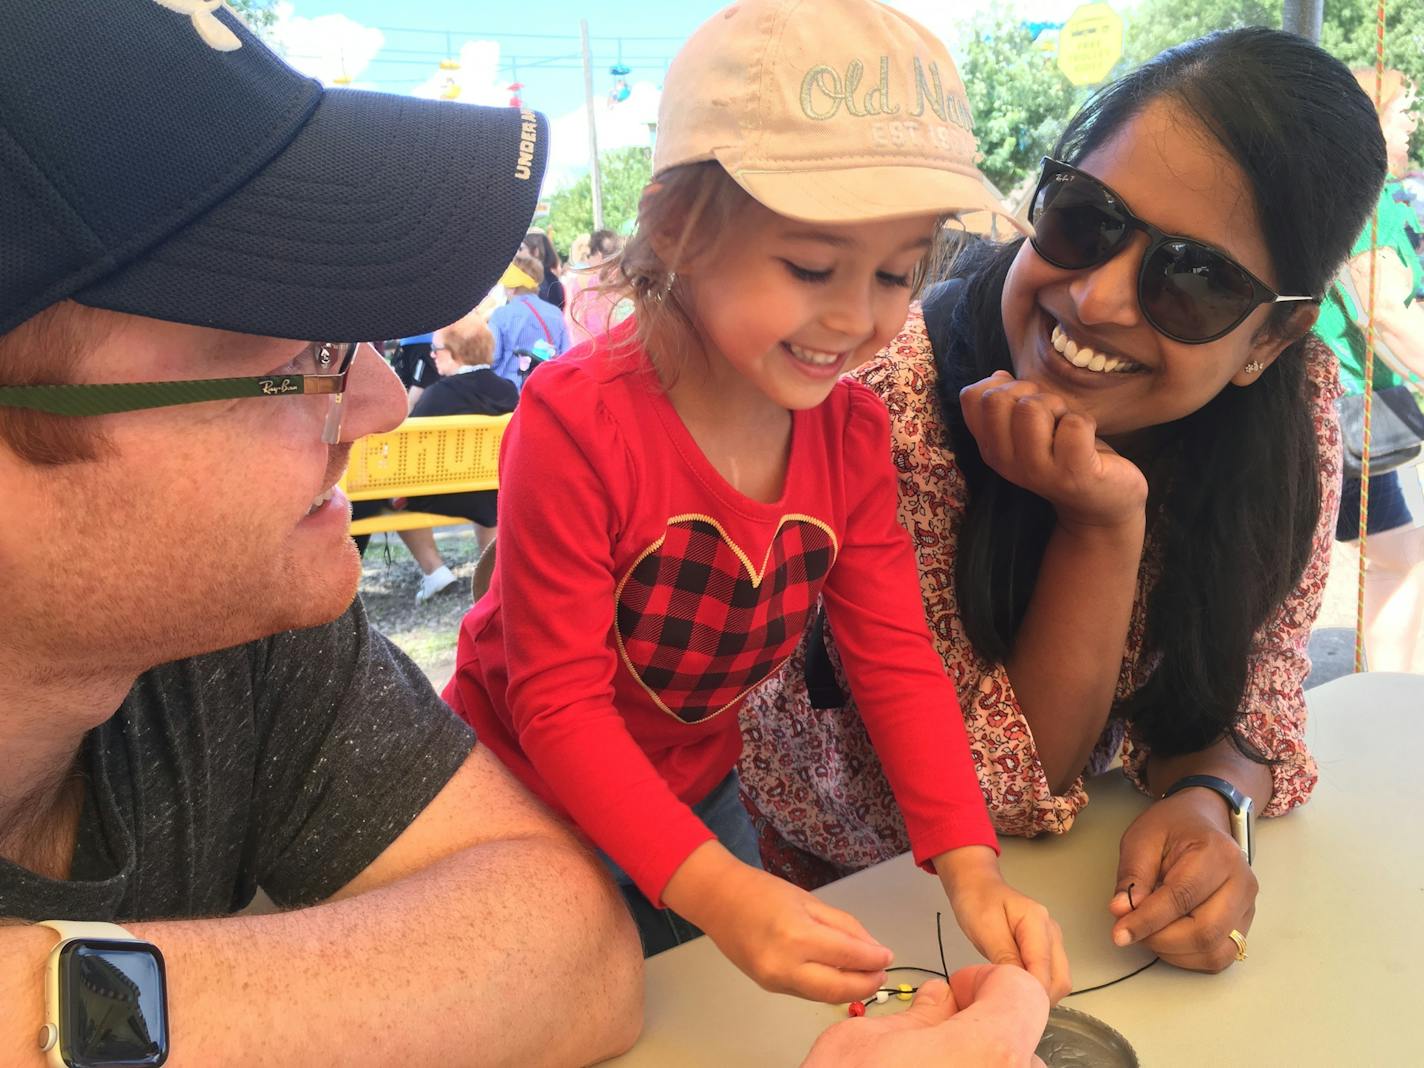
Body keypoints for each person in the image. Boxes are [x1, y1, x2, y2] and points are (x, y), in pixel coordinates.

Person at [0, 3, 643, 1065]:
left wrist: (48, 1007)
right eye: (297, 353)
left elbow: (569, 946)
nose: (383, 403)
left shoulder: (227, 627)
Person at [444, 0, 1069, 1006]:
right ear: (675, 230)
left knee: (726, 1018)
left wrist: (965, 856)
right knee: (558, 1011)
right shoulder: (575, 419)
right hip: (513, 793)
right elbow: (554, 702)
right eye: (812, 266)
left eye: (896, 271)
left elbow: (894, 658)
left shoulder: (852, 436)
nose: (855, 316)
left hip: (694, 790)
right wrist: (720, 894)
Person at [739, 27, 1387, 975]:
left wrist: (1213, 802)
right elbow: (995, 793)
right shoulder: (877, 407)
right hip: (840, 905)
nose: (1096, 298)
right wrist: (1100, 527)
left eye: (1197, 278)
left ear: (1271, 341)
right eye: (1088, 219)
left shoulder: (1294, 410)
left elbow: (1262, 683)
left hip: (1065, 918)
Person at [1316, 67, 1424, 674]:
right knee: (1275, 582)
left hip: (1355, 414)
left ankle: (1389, 690)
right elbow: (1382, 312)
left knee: (1401, 555)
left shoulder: (1368, 196)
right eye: (1401, 111)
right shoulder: (1360, 196)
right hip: (1337, 415)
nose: (1410, 121)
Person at [399, 312, 519, 603]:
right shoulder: (507, 389)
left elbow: (408, 448)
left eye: (437, 350)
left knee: (396, 498)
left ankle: (435, 572)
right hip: (494, 491)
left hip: (443, 493)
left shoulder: (437, 395)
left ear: (457, 353)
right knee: (487, 492)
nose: (432, 356)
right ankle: (492, 573)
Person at [487, 251, 570, 387]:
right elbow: (566, 353)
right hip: (546, 387)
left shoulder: (501, 315)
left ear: (512, 288)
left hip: (510, 390)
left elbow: (493, 357)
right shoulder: (555, 313)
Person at [566, 228, 631, 347]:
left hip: (594, 350)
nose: (588, 260)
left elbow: (573, 324)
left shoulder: (585, 282)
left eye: (589, 255)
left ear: (598, 255)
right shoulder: (631, 280)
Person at [523, 229, 567, 310]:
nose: (518, 253)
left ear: (536, 251)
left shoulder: (541, 282)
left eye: (522, 249)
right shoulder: (552, 280)